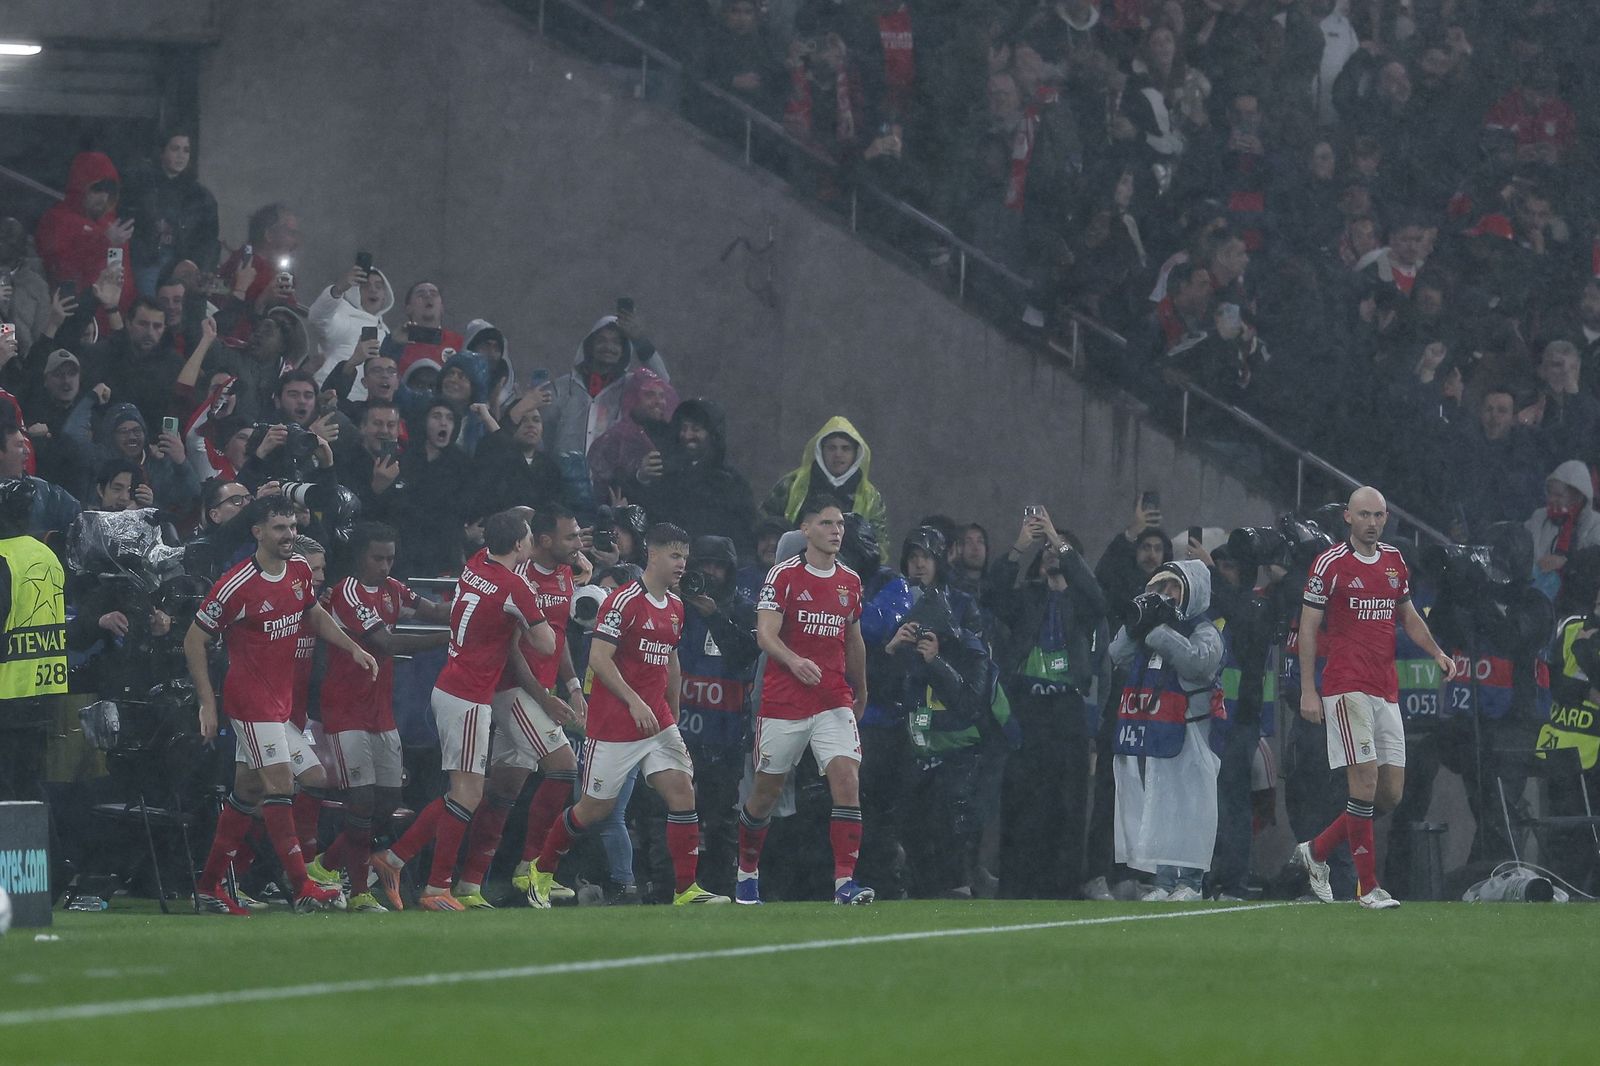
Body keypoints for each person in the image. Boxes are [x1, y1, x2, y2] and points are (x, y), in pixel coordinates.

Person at [185, 497, 377, 914]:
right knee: (280, 786)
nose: (289, 535)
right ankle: (302, 884)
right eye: (279, 528)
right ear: (257, 532)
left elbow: (313, 613)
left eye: (292, 527)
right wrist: (207, 705)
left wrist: (352, 648)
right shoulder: (235, 584)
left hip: (280, 704)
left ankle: (207, 887)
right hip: (248, 702)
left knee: (272, 785)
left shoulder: (299, 571)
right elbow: (194, 639)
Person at [524, 522, 729, 907]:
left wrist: (674, 712)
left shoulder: (676, 607)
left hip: (657, 723)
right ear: (652, 554)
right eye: (674, 555)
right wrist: (634, 701)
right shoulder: (622, 601)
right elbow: (600, 660)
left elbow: (670, 662)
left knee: (684, 793)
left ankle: (687, 890)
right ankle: (542, 869)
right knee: (594, 808)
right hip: (614, 724)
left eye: (684, 556)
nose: (681, 564)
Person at [371, 510, 556, 911]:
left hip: (451, 686)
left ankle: (395, 860)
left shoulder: (477, 564)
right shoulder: (514, 586)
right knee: (467, 793)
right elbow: (546, 645)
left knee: (464, 792)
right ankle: (435, 887)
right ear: (521, 545)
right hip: (469, 696)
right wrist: (534, 614)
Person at [1293, 486, 1457, 911]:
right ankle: (1368, 887)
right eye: (1363, 514)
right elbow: (1309, 627)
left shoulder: (1394, 562)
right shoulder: (1329, 564)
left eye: (1378, 515)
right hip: (1346, 686)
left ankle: (1317, 851)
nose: (1371, 522)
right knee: (1363, 782)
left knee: (1389, 796)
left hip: (1386, 689)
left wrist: (1436, 651)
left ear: (1386, 518)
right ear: (1347, 516)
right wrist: (1309, 690)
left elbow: (1407, 614)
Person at [306, 523, 450, 911]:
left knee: (388, 801)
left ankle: (327, 863)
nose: (386, 565)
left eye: (390, 558)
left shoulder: (393, 588)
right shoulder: (347, 593)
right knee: (362, 801)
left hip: (380, 710)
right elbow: (385, 642)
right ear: (359, 557)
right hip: (345, 709)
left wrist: (473, 608)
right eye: (378, 558)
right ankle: (358, 892)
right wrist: (453, 636)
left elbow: (434, 609)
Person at [455, 506, 590, 909]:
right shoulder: (519, 577)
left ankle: (468, 882)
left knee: (503, 790)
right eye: (571, 537)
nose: (579, 544)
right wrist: (543, 697)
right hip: (513, 690)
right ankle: (532, 867)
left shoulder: (566, 575)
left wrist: (571, 686)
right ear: (542, 540)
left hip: (541, 689)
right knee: (564, 767)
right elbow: (511, 647)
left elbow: (559, 634)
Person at [737, 500, 871, 905]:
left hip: (832, 698)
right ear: (806, 530)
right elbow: (765, 634)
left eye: (840, 524)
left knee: (847, 781)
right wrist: (795, 661)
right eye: (826, 523)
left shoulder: (850, 580)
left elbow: (854, 639)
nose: (836, 531)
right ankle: (746, 874)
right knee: (766, 793)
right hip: (784, 701)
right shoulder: (783, 576)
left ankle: (845, 884)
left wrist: (861, 689)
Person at [986, 508, 1104, 899]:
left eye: (1060, 550)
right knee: (1022, 798)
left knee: (1067, 801)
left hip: (1066, 710)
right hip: (1027, 707)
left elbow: (1098, 596)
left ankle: (1063, 887)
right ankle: (1018, 885)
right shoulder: (1025, 600)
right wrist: (1020, 546)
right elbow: (991, 594)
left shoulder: (1083, 605)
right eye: (1048, 550)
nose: (1052, 554)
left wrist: (1059, 538)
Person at [1110, 559, 1222, 901]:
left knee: (1191, 807)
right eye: (1161, 587)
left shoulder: (1204, 629)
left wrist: (1162, 634)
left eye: (1175, 587)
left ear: (1192, 591)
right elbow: (1116, 653)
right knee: (1157, 806)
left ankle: (1191, 881)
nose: (1167, 595)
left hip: (1192, 733)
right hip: (1154, 730)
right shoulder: (1149, 628)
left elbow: (1199, 662)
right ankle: (1163, 880)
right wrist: (1135, 628)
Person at [0, 479, 66, 805]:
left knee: (8, 798)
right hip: (42, 693)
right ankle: (44, 858)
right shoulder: (46, 555)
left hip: (6, 699)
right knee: (30, 793)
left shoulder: (3, 559)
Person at [628, 396, 758, 556]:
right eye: (684, 429)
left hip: (712, 564)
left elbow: (744, 534)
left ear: (713, 435)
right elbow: (645, 516)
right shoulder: (664, 474)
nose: (687, 435)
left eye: (696, 429)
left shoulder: (731, 482)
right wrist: (641, 477)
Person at [544, 310, 670, 458]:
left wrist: (639, 340)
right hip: (564, 477)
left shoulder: (631, 386)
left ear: (624, 350)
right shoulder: (563, 387)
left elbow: (661, 381)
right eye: (601, 341)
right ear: (590, 346)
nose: (608, 347)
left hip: (611, 477)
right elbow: (543, 433)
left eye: (616, 342)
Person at [762, 416, 888, 557]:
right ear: (820, 450)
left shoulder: (870, 497)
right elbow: (767, 526)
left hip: (850, 573)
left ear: (856, 453)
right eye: (831, 448)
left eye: (845, 449)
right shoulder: (792, 484)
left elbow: (879, 544)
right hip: (794, 567)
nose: (838, 454)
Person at [119, 129, 221, 295]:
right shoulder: (139, 186)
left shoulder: (201, 196)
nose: (181, 155)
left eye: (186, 150)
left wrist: (203, 267)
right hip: (149, 262)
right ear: (161, 151)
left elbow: (210, 239)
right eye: (175, 149)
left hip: (185, 265)